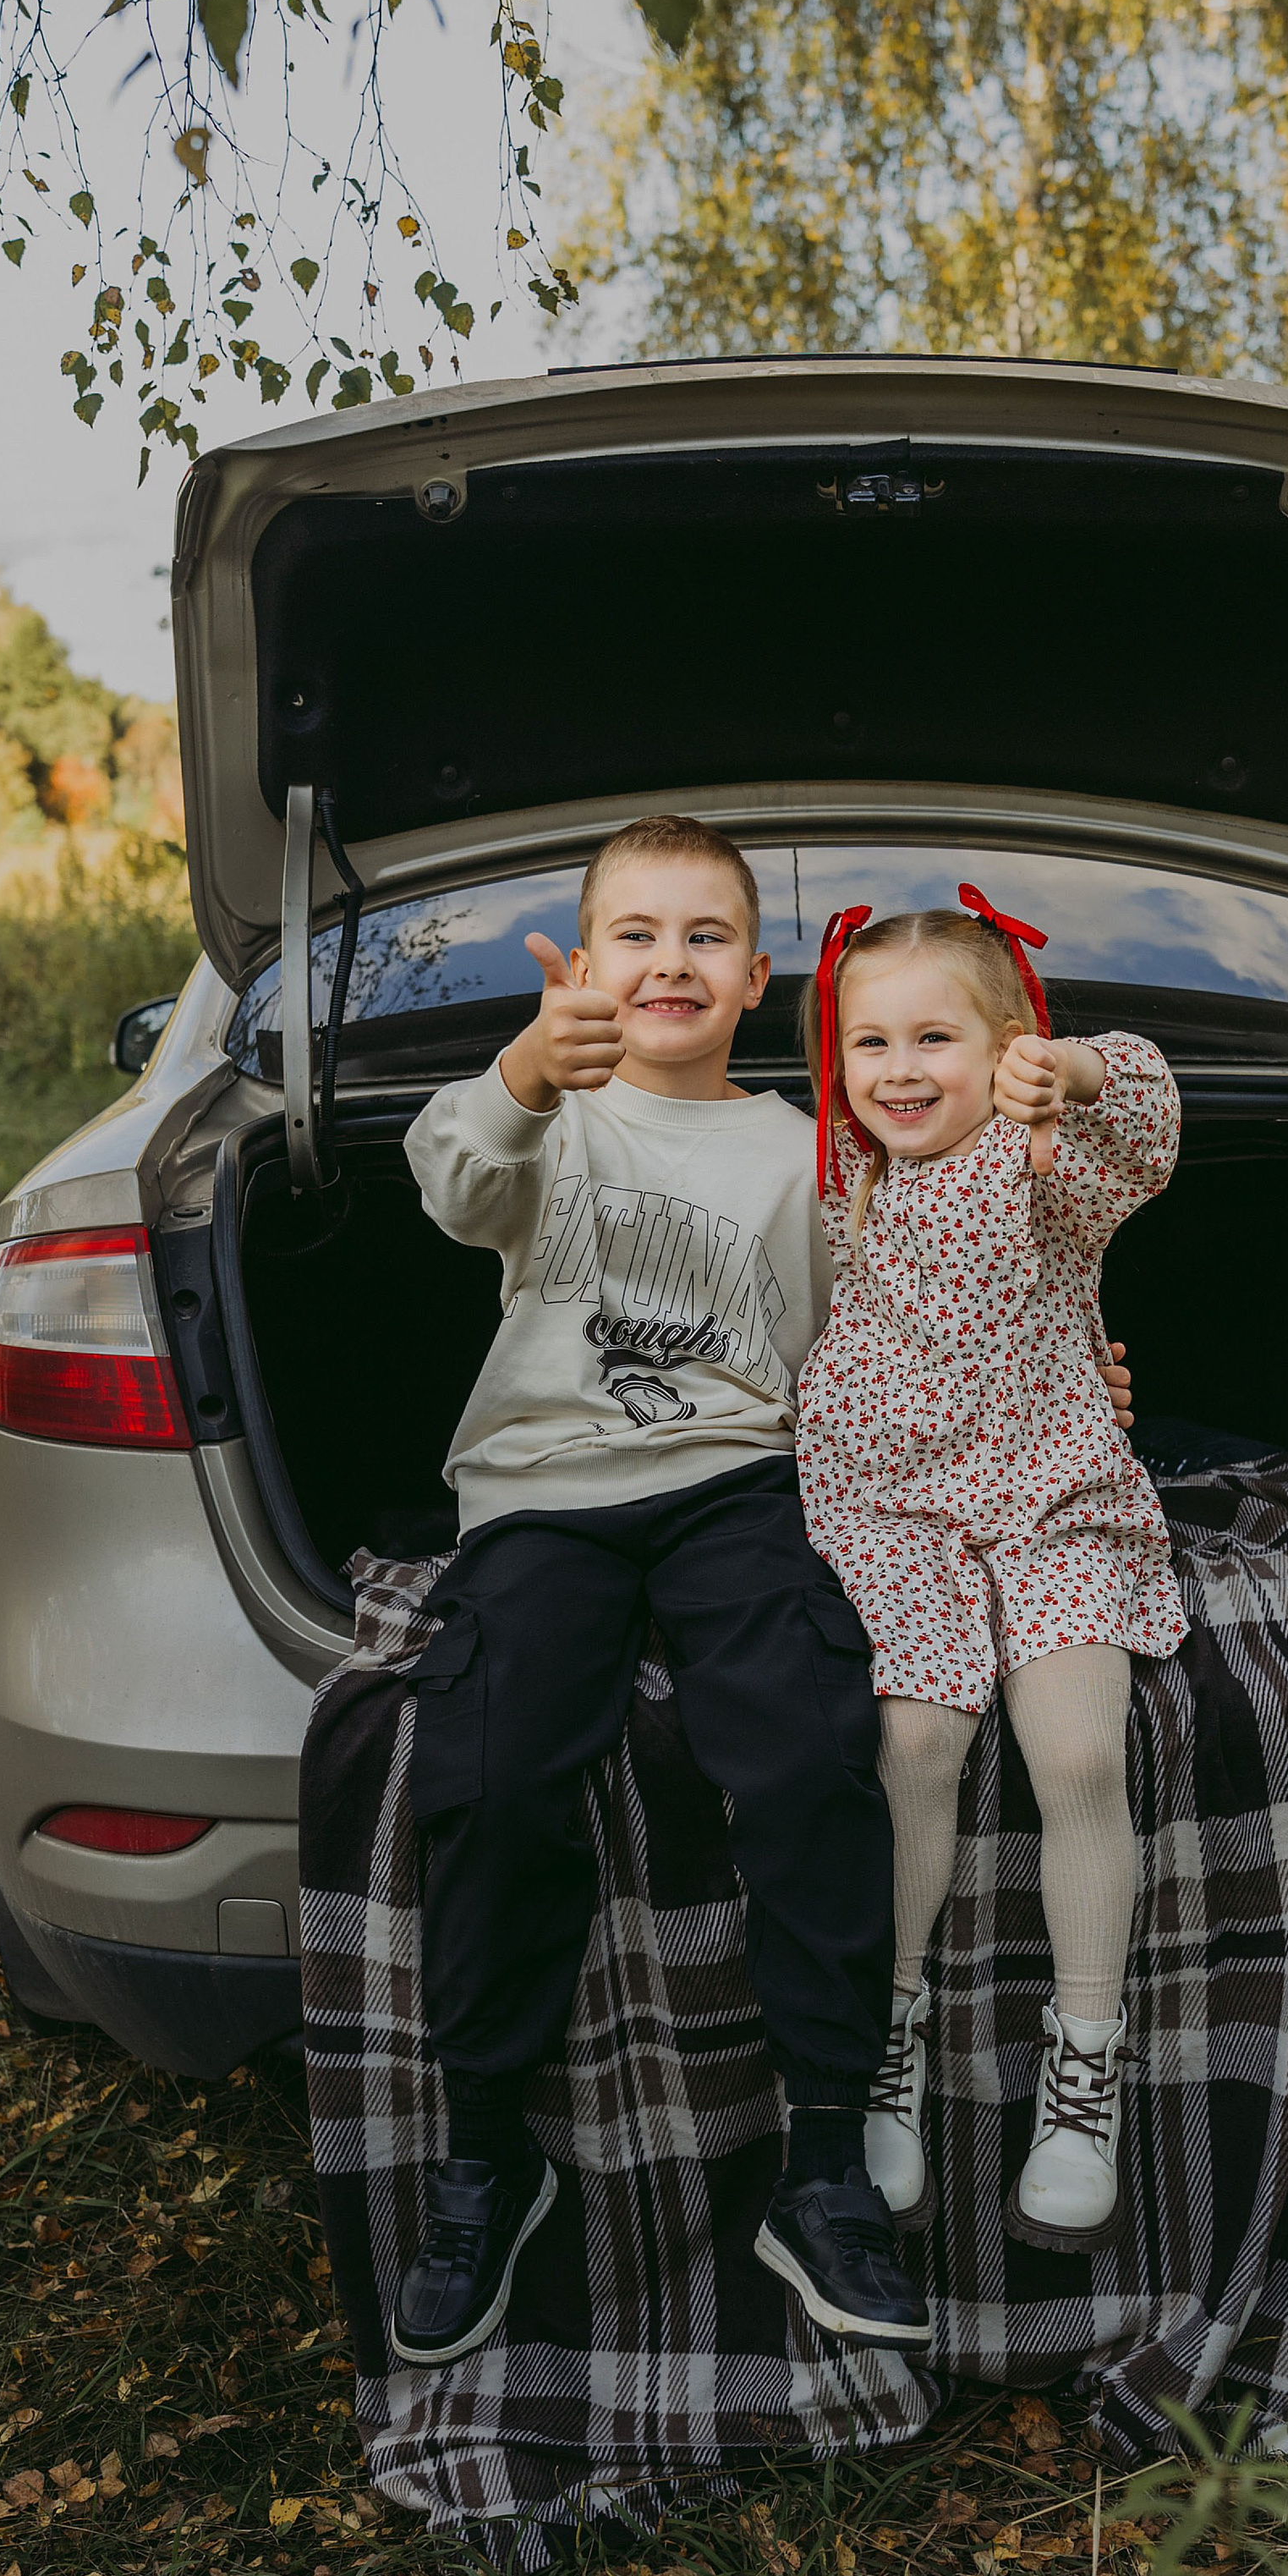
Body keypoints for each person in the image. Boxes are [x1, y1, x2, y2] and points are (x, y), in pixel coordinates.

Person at [388, 816, 931, 2365]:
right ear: (583, 964)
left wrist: (1067, 1376)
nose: (669, 963)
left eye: (705, 937)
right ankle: (488, 2154)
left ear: (761, 979)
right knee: (490, 1769)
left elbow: (884, 1337)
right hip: (546, 1502)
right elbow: (446, 1181)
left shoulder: (806, 1150)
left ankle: (825, 2163)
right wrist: (521, 1069)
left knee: (819, 1742)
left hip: (739, 1487)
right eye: (635, 933)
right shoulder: (547, 1114)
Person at [796, 893, 1187, 2247]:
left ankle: (1086, 2064)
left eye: (936, 1039)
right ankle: (888, 2042)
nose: (900, 1069)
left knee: (1076, 1753)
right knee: (916, 1742)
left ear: (1009, 1043)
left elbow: (1146, 1122)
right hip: (891, 1509)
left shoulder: (1041, 1157)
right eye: (869, 1043)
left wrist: (1072, 1074)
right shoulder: (839, 1180)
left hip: (1050, 1496)